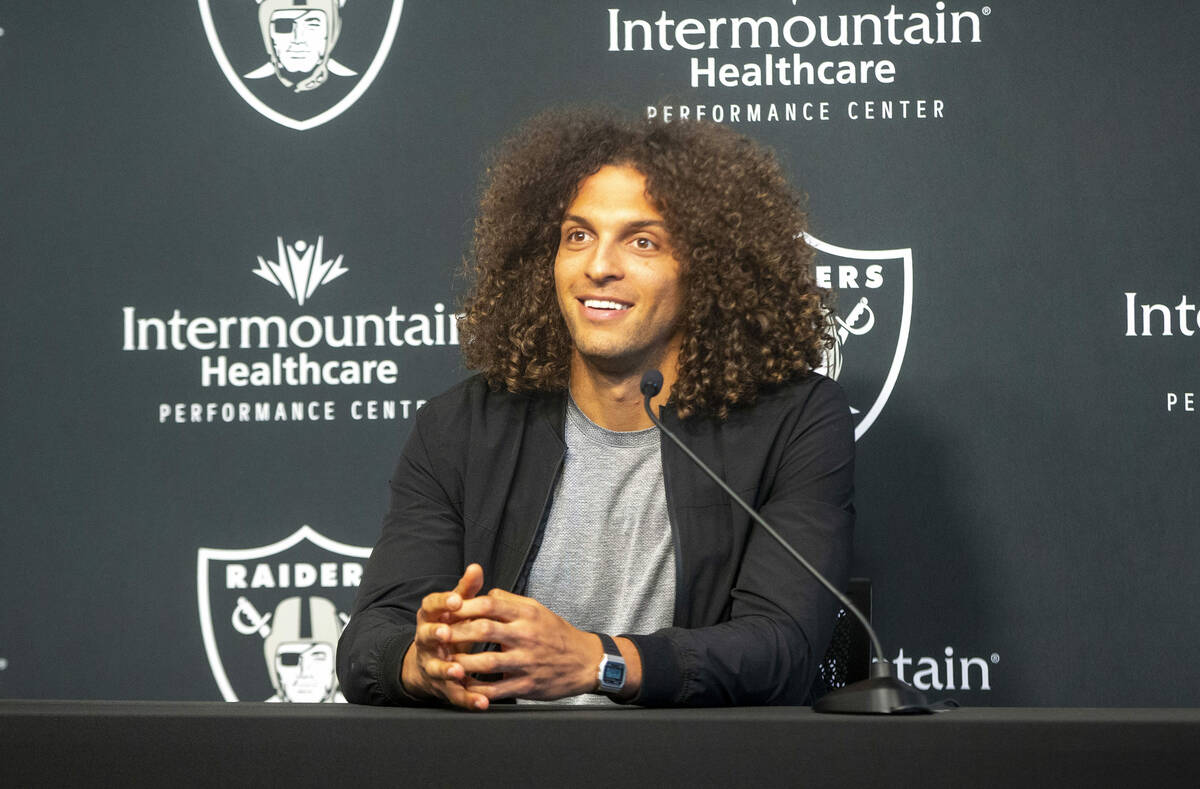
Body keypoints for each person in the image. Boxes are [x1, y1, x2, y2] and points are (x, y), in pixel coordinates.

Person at [336, 109, 855, 709]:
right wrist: (422, 663)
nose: (598, 266)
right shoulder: (460, 428)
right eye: (577, 235)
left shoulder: (795, 422)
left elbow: (781, 648)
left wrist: (598, 662)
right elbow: (367, 643)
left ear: (709, 272)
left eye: (642, 241)